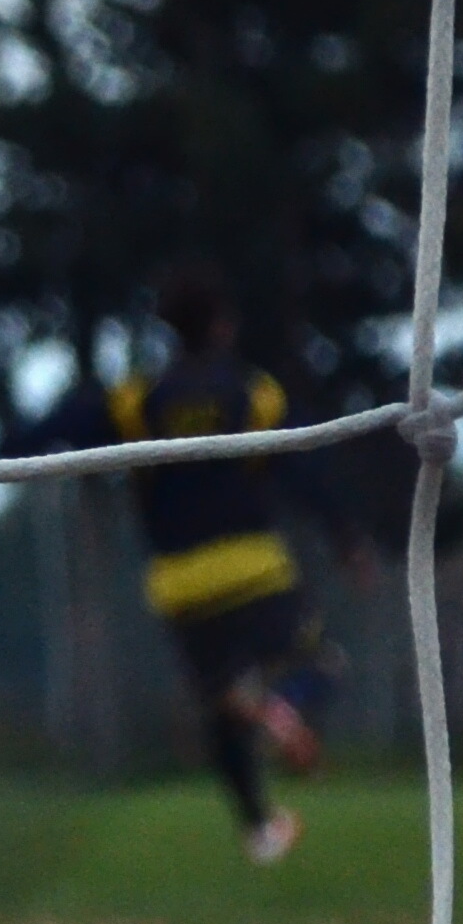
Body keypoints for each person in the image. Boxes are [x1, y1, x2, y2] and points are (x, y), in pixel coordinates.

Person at [31, 263, 344, 865]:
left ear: (168, 330)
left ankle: (261, 829)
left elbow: (64, 426)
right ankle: (285, 707)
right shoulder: (254, 393)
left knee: (221, 704)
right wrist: (348, 535)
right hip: (254, 568)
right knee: (318, 663)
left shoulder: (138, 398)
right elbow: (301, 468)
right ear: (223, 326)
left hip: (180, 583)